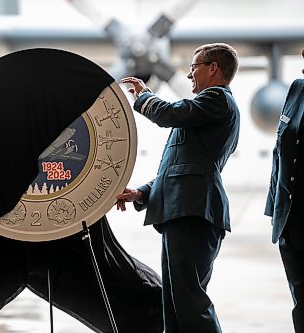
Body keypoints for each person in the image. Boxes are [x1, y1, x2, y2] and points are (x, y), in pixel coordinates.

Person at [116, 43, 240, 332]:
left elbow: (171, 113)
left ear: (213, 68)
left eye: (194, 67)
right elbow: (180, 168)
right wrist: (142, 193)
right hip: (183, 212)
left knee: (190, 303)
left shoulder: (217, 100)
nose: (188, 76)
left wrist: (145, 96)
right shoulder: (206, 110)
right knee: (175, 305)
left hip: (193, 213)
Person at [265, 47, 304, 332]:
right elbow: (280, 151)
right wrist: (274, 208)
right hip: (290, 223)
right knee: (301, 303)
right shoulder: (297, 89)